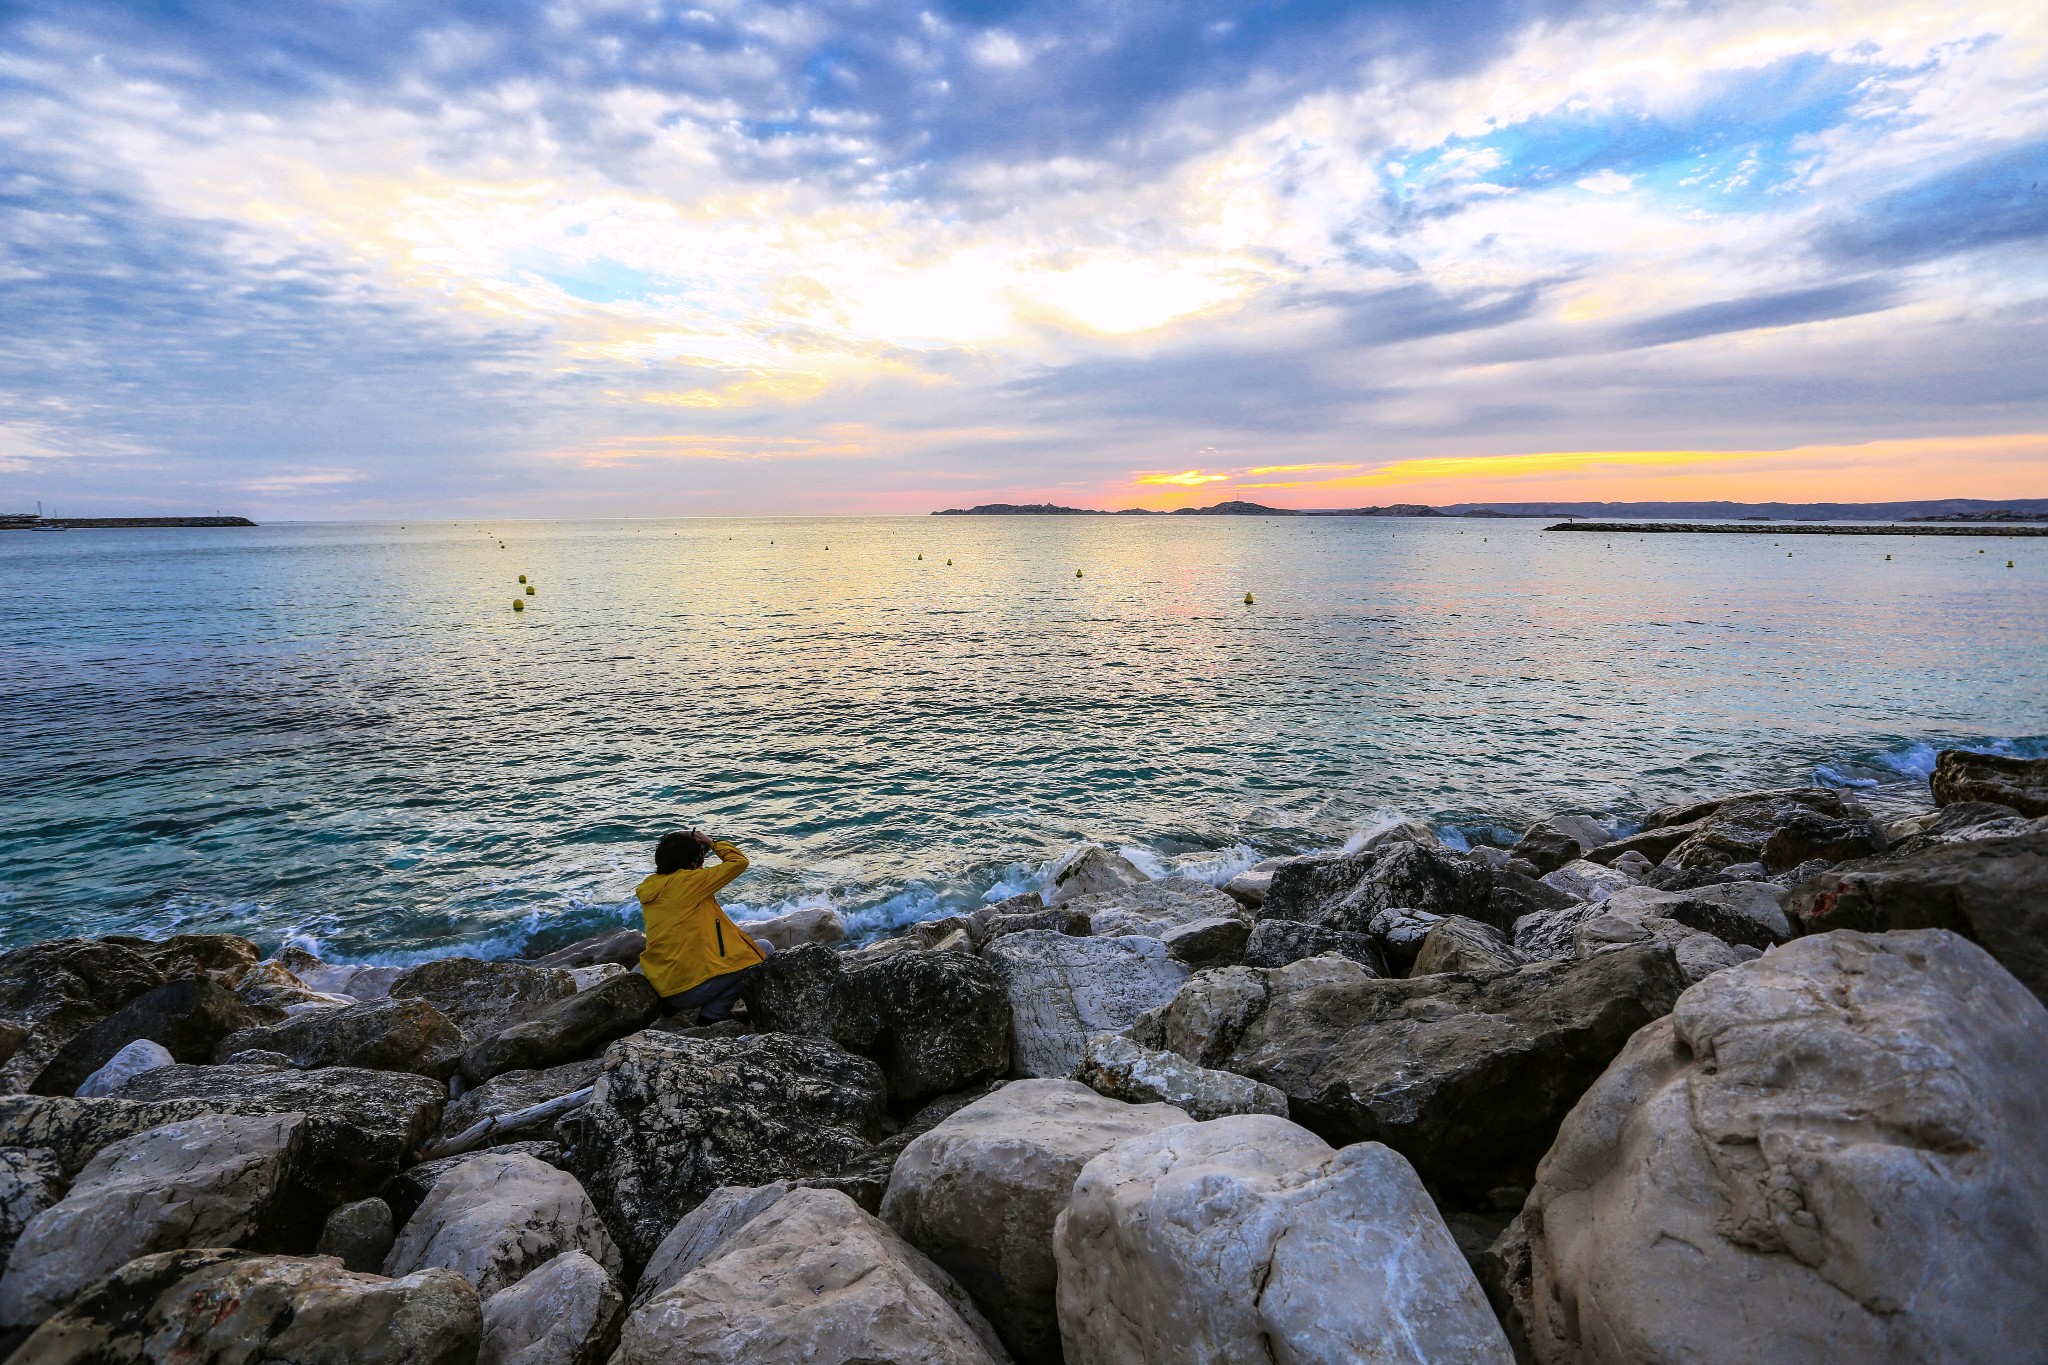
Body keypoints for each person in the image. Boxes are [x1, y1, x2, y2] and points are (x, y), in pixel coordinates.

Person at [636, 828, 770, 1022]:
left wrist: (697, 852)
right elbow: (739, 862)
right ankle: (713, 1015)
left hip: (665, 985)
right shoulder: (691, 883)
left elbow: (688, 872)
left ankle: (712, 1012)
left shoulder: (653, 886)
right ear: (694, 863)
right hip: (690, 990)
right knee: (762, 950)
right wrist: (713, 842)